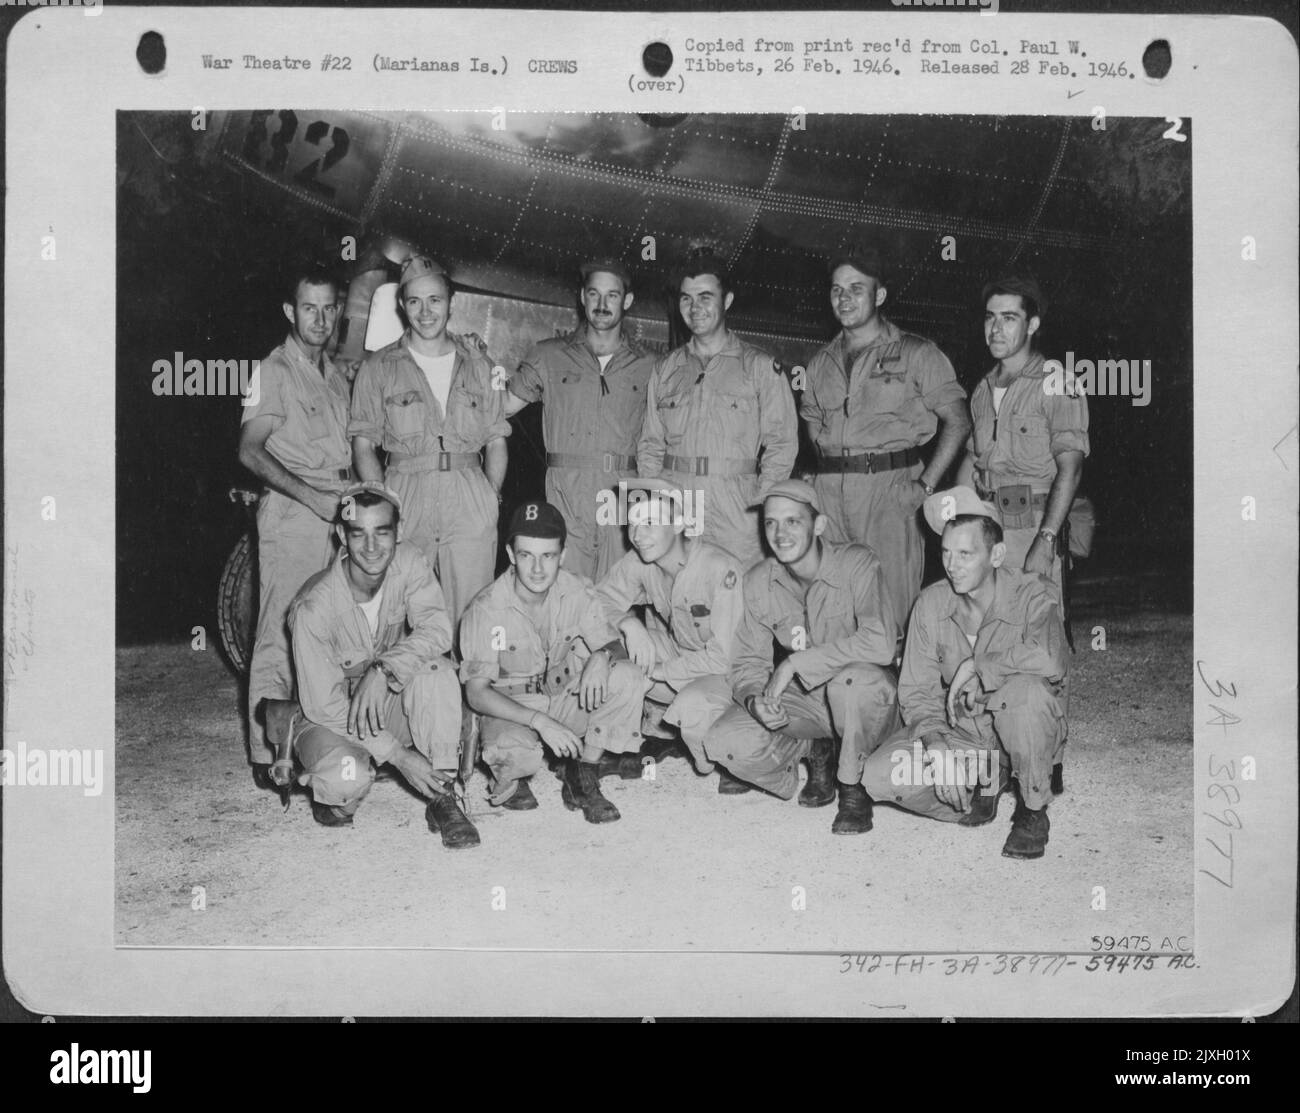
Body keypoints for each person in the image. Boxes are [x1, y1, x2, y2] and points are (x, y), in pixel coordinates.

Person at [860, 487, 1068, 859]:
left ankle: (1032, 809)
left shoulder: (1034, 594)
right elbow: (917, 692)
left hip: (1019, 728)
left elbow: (1051, 658)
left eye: (966, 554)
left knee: (1028, 694)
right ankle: (985, 779)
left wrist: (977, 666)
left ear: (996, 554)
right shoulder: (931, 603)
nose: (952, 566)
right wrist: (936, 745)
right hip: (965, 737)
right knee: (879, 776)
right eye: (946, 553)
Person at [274, 484, 477, 848]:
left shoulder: (410, 562)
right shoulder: (313, 608)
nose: (371, 547)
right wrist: (398, 755)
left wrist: (383, 669)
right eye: (358, 534)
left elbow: (438, 629)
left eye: (382, 532)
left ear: (398, 533)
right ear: (341, 536)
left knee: (437, 670)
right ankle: (332, 789)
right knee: (345, 780)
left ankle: (442, 793)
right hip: (331, 718)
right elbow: (324, 704)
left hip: (384, 701)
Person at [705, 480, 899, 834]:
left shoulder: (858, 563)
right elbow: (748, 662)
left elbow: (881, 643)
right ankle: (813, 749)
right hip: (809, 703)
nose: (780, 534)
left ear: (819, 526)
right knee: (723, 741)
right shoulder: (759, 580)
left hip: (866, 700)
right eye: (770, 523)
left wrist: (796, 662)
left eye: (793, 521)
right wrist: (753, 701)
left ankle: (853, 787)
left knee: (851, 682)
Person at [800, 246, 970, 627]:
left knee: (891, 605)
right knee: (835, 600)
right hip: (832, 495)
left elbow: (958, 421)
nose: (844, 299)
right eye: (837, 290)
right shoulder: (819, 363)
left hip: (890, 490)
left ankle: (896, 684)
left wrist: (924, 487)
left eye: (856, 289)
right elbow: (812, 420)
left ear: (879, 295)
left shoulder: (916, 353)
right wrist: (827, 468)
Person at [459, 501, 652, 823]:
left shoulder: (575, 589)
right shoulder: (486, 610)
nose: (537, 569)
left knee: (627, 676)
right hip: (509, 705)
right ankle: (511, 765)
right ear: (510, 555)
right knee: (518, 756)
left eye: (547, 556)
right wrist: (540, 722)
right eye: (526, 555)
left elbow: (610, 643)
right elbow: (477, 693)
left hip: (562, 696)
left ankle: (583, 771)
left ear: (562, 556)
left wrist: (602, 656)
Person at [238, 265, 353, 785]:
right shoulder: (274, 371)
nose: (321, 318)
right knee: (281, 628)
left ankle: (313, 739)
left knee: (320, 629)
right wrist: (311, 497)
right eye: (310, 307)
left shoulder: (332, 373)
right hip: (294, 512)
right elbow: (248, 451)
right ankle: (267, 755)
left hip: (334, 510)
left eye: (329, 308)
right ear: (291, 311)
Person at [349, 255, 510, 624]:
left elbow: (497, 439)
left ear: (451, 303)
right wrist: (384, 502)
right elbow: (363, 444)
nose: (426, 312)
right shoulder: (378, 368)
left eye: (435, 300)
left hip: (469, 498)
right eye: (415, 301)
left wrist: (491, 497)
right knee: (404, 615)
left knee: (472, 619)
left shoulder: (481, 365)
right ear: (403, 306)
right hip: (406, 497)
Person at [637, 251, 797, 567]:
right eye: (686, 299)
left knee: (737, 600)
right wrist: (659, 508)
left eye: (705, 297)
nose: (695, 308)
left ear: (727, 301)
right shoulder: (665, 370)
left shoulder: (760, 368)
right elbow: (650, 446)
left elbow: (782, 444)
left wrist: (760, 506)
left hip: (736, 514)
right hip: (678, 508)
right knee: (678, 599)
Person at [503, 258, 656, 580]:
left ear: (626, 301)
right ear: (582, 297)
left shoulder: (650, 365)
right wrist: (473, 361)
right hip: (566, 492)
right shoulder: (548, 355)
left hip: (623, 494)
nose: (602, 304)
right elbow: (501, 407)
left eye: (612, 295)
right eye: (594, 294)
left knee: (618, 596)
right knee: (567, 597)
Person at [595, 478, 744, 778]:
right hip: (683, 657)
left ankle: (734, 740)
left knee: (695, 713)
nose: (638, 535)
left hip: (729, 675)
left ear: (679, 524)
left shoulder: (719, 568)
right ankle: (613, 744)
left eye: (650, 521)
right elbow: (593, 603)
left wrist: (660, 671)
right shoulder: (641, 561)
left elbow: (723, 658)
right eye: (632, 523)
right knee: (598, 648)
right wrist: (628, 623)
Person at [958, 275, 1089, 589]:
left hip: (1032, 526)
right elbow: (971, 461)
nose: (995, 329)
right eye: (990, 318)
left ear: (1032, 325)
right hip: (987, 524)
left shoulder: (1058, 383)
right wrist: (958, 524)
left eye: (1008, 318)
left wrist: (1046, 540)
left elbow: (1070, 471)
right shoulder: (981, 389)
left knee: (1036, 628)